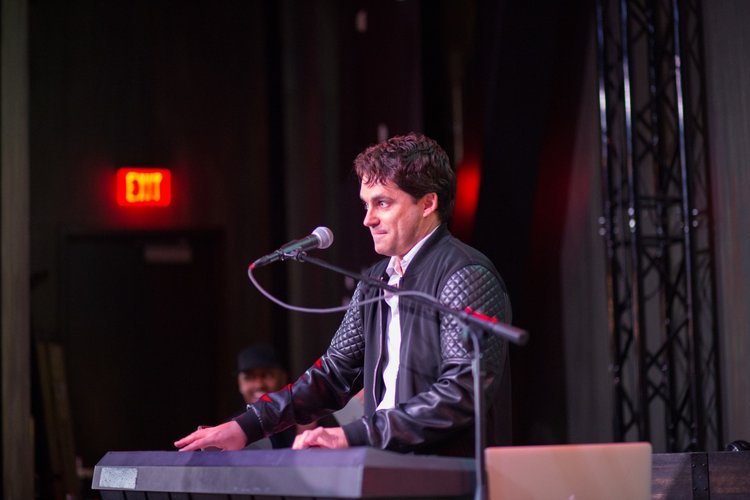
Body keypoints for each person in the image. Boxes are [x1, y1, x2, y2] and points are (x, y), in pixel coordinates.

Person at [175, 132, 511, 457]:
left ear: (427, 203)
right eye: (366, 204)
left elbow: (460, 394)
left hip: (447, 474)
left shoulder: (464, 273)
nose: (368, 219)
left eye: (382, 203)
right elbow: (333, 374)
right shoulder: (376, 280)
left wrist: (353, 435)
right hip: (385, 467)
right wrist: (248, 425)